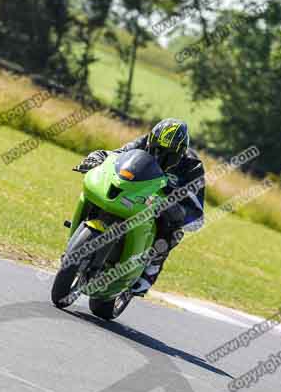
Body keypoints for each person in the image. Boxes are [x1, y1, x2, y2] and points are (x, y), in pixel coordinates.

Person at [74, 118, 205, 297]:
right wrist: (96, 158)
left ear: (181, 153)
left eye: (169, 154)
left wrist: (175, 205)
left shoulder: (192, 166)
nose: (160, 156)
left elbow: (197, 214)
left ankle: (149, 271)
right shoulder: (143, 142)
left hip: (159, 207)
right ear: (151, 140)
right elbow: (115, 155)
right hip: (133, 194)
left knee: (173, 232)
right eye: (157, 149)